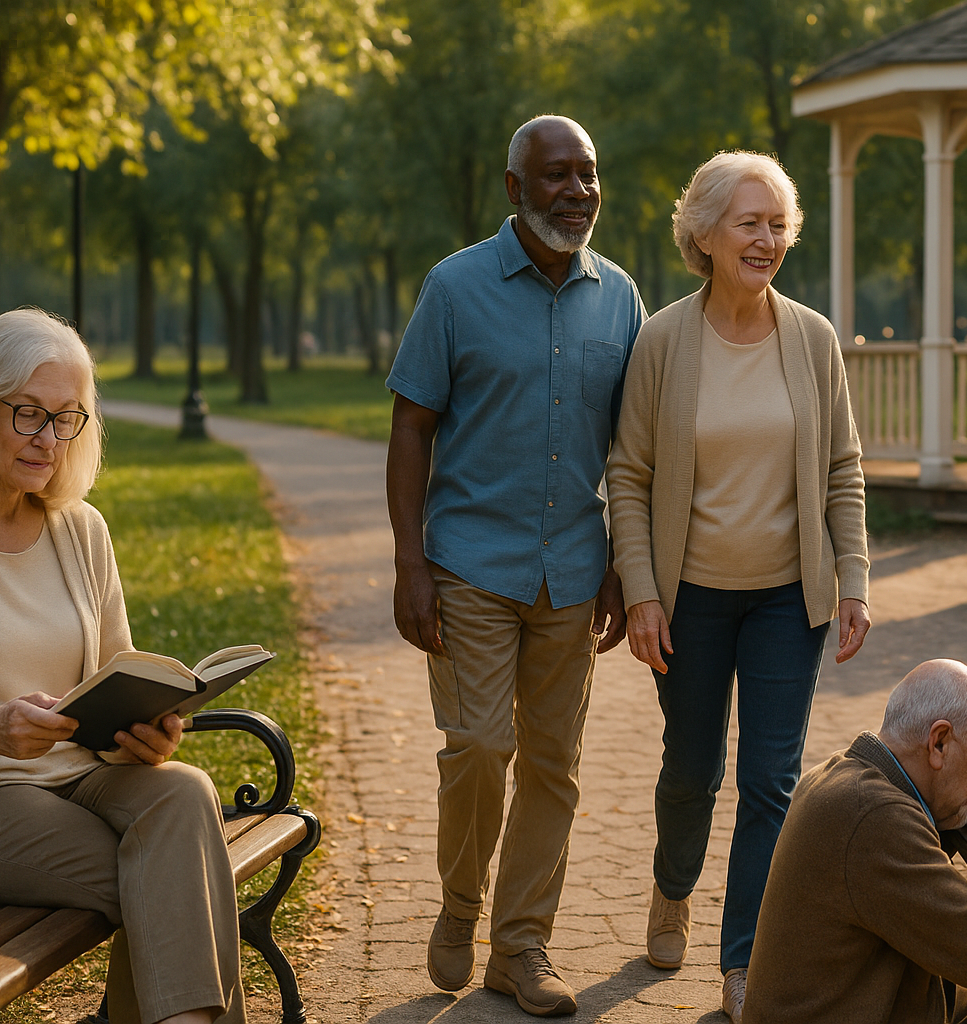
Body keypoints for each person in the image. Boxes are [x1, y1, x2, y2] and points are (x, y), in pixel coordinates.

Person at [0, 309, 243, 1024]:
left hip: (86, 774)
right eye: (30, 414)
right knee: (171, 878)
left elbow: (118, 673)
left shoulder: (82, 529)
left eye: (68, 418)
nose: (49, 439)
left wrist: (150, 732)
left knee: (184, 792)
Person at [384, 114, 645, 1017]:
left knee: (553, 763)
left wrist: (624, 560)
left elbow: (630, 447)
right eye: (557, 175)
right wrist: (408, 563)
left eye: (589, 173)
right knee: (481, 747)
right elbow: (411, 425)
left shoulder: (621, 295)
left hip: (574, 568)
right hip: (469, 565)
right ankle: (460, 907)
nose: (578, 190)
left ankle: (520, 947)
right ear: (514, 189)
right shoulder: (453, 288)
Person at [606, 150, 871, 1023]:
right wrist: (640, 592)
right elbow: (631, 474)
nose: (767, 240)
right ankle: (672, 884)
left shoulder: (813, 337)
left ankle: (743, 961)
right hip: (691, 596)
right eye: (749, 223)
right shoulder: (663, 340)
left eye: (778, 224)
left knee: (771, 783)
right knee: (691, 769)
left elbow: (841, 467)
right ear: (706, 234)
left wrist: (855, 578)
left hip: (786, 599)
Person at [744, 660, 967, 1024]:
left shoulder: (841, 774)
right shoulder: (874, 818)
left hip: (874, 1001)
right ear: (939, 742)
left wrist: (946, 816)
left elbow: (897, 891)